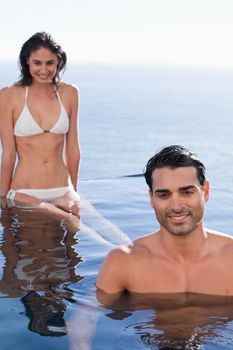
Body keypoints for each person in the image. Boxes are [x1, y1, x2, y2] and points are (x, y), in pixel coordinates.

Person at [97, 145, 233, 301]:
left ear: (206, 192)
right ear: (151, 198)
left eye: (187, 192)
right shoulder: (123, 262)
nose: (176, 206)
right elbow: (86, 321)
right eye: (164, 195)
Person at [0, 32, 80, 226]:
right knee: (71, 222)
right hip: (25, 192)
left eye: (50, 63)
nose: (44, 70)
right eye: (37, 63)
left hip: (63, 188)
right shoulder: (9, 96)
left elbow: (73, 149)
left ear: (58, 62)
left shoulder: (70, 93)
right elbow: (8, 153)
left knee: (85, 239)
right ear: (27, 61)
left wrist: (75, 192)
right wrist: (2, 198)